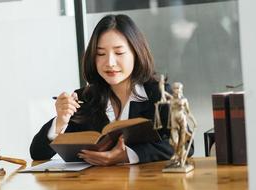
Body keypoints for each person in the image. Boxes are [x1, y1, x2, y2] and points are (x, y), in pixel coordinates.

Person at [30, 14, 193, 166]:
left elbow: (185, 144)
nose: (110, 62)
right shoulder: (84, 98)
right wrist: (60, 122)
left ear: (136, 53)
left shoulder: (159, 94)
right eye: (100, 54)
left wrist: (128, 155)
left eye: (119, 52)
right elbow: (37, 153)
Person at [168, 82, 197, 167]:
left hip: (182, 121)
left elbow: (188, 113)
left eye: (179, 88)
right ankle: (177, 155)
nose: (177, 90)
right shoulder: (171, 100)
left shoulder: (184, 100)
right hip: (174, 123)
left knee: (182, 143)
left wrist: (194, 121)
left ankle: (179, 159)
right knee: (174, 141)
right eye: (175, 88)